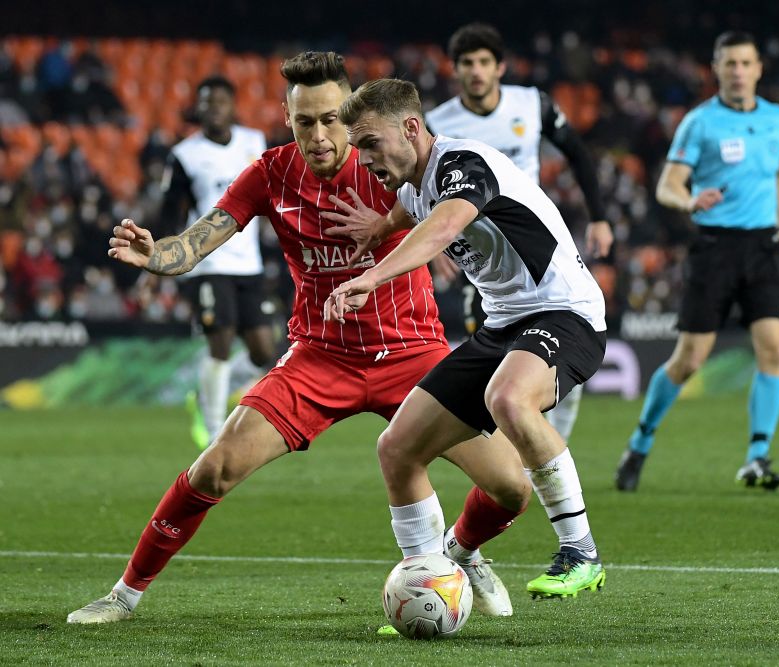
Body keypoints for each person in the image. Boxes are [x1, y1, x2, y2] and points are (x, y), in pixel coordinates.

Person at [66, 51, 531, 625]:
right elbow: (196, 243)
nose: (319, 136)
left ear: (351, 116)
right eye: (304, 121)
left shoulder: (387, 162)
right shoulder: (270, 174)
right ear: (287, 118)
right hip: (320, 357)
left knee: (511, 488)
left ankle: (461, 552)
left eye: (332, 120)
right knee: (215, 467)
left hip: (413, 354)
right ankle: (124, 594)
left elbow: (452, 206)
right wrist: (156, 255)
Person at [326, 78, 608, 599]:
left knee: (509, 398)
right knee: (397, 448)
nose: (363, 159)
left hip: (565, 313)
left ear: (412, 128)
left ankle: (581, 551)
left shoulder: (463, 164)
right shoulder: (412, 187)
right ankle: (430, 580)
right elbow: (412, 209)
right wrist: (380, 227)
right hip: (503, 325)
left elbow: (442, 225)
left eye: (370, 143)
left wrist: (371, 276)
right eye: (357, 147)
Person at [614, 31, 779, 492]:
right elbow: (667, 186)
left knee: (775, 348)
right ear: (716, 69)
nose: (738, 71)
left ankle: (757, 456)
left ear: (758, 69)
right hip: (715, 248)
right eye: (729, 63)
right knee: (690, 359)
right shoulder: (700, 122)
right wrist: (690, 200)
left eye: (745, 63)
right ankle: (640, 441)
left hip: (764, 245)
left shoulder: (777, 119)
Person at [425, 22, 613, 444]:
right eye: (467, 63)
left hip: (537, 244)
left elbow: (578, 154)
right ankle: (516, 454)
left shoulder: (531, 105)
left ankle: (548, 447)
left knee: (556, 354)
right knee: (495, 354)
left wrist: (599, 217)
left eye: (484, 62)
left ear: (500, 67)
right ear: (455, 69)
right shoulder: (439, 124)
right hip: (482, 253)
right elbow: (424, 187)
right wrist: (434, 242)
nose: (476, 71)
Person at [160, 76, 274, 450]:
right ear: (198, 107)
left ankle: (206, 395)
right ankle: (213, 432)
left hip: (249, 263)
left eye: (220, 101)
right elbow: (170, 214)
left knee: (263, 351)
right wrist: (163, 258)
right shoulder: (185, 154)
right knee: (220, 342)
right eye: (206, 102)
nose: (214, 108)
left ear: (232, 105)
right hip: (208, 262)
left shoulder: (254, 142)